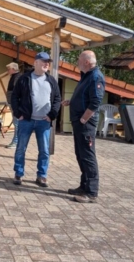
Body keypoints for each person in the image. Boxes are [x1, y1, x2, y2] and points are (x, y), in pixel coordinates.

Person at [11, 52, 62, 188]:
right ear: (35, 63)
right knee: (21, 148)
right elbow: (14, 96)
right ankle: (18, 173)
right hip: (26, 120)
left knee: (44, 151)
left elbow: (57, 99)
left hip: (44, 122)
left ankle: (42, 176)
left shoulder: (51, 80)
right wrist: (18, 113)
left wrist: (52, 115)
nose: (46, 64)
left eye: (48, 62)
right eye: (43, 61)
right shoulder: (24, 78)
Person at [61, 50, 105, 203]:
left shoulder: (96, 77)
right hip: (79, 123)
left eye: (79, 60)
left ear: (87, 62)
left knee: (87, 156)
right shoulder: (86, 76)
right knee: (80, 154)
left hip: (86, 124)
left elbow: (95, 102)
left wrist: (83, 119)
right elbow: (84, 97)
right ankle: (84, 186)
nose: (77, 62)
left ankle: (91, 192)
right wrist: (71, 102)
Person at [5, 62, 22, 148]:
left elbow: (17, 92)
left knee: (17, 123)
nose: (7, 71)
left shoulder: (18, 77)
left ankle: (16, 142)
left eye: (9, 69)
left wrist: (16, 104)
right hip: (12, 103)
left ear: (13, 69)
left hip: (16, 105)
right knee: (16, 123)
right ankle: (16, 142)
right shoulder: (13, 77)